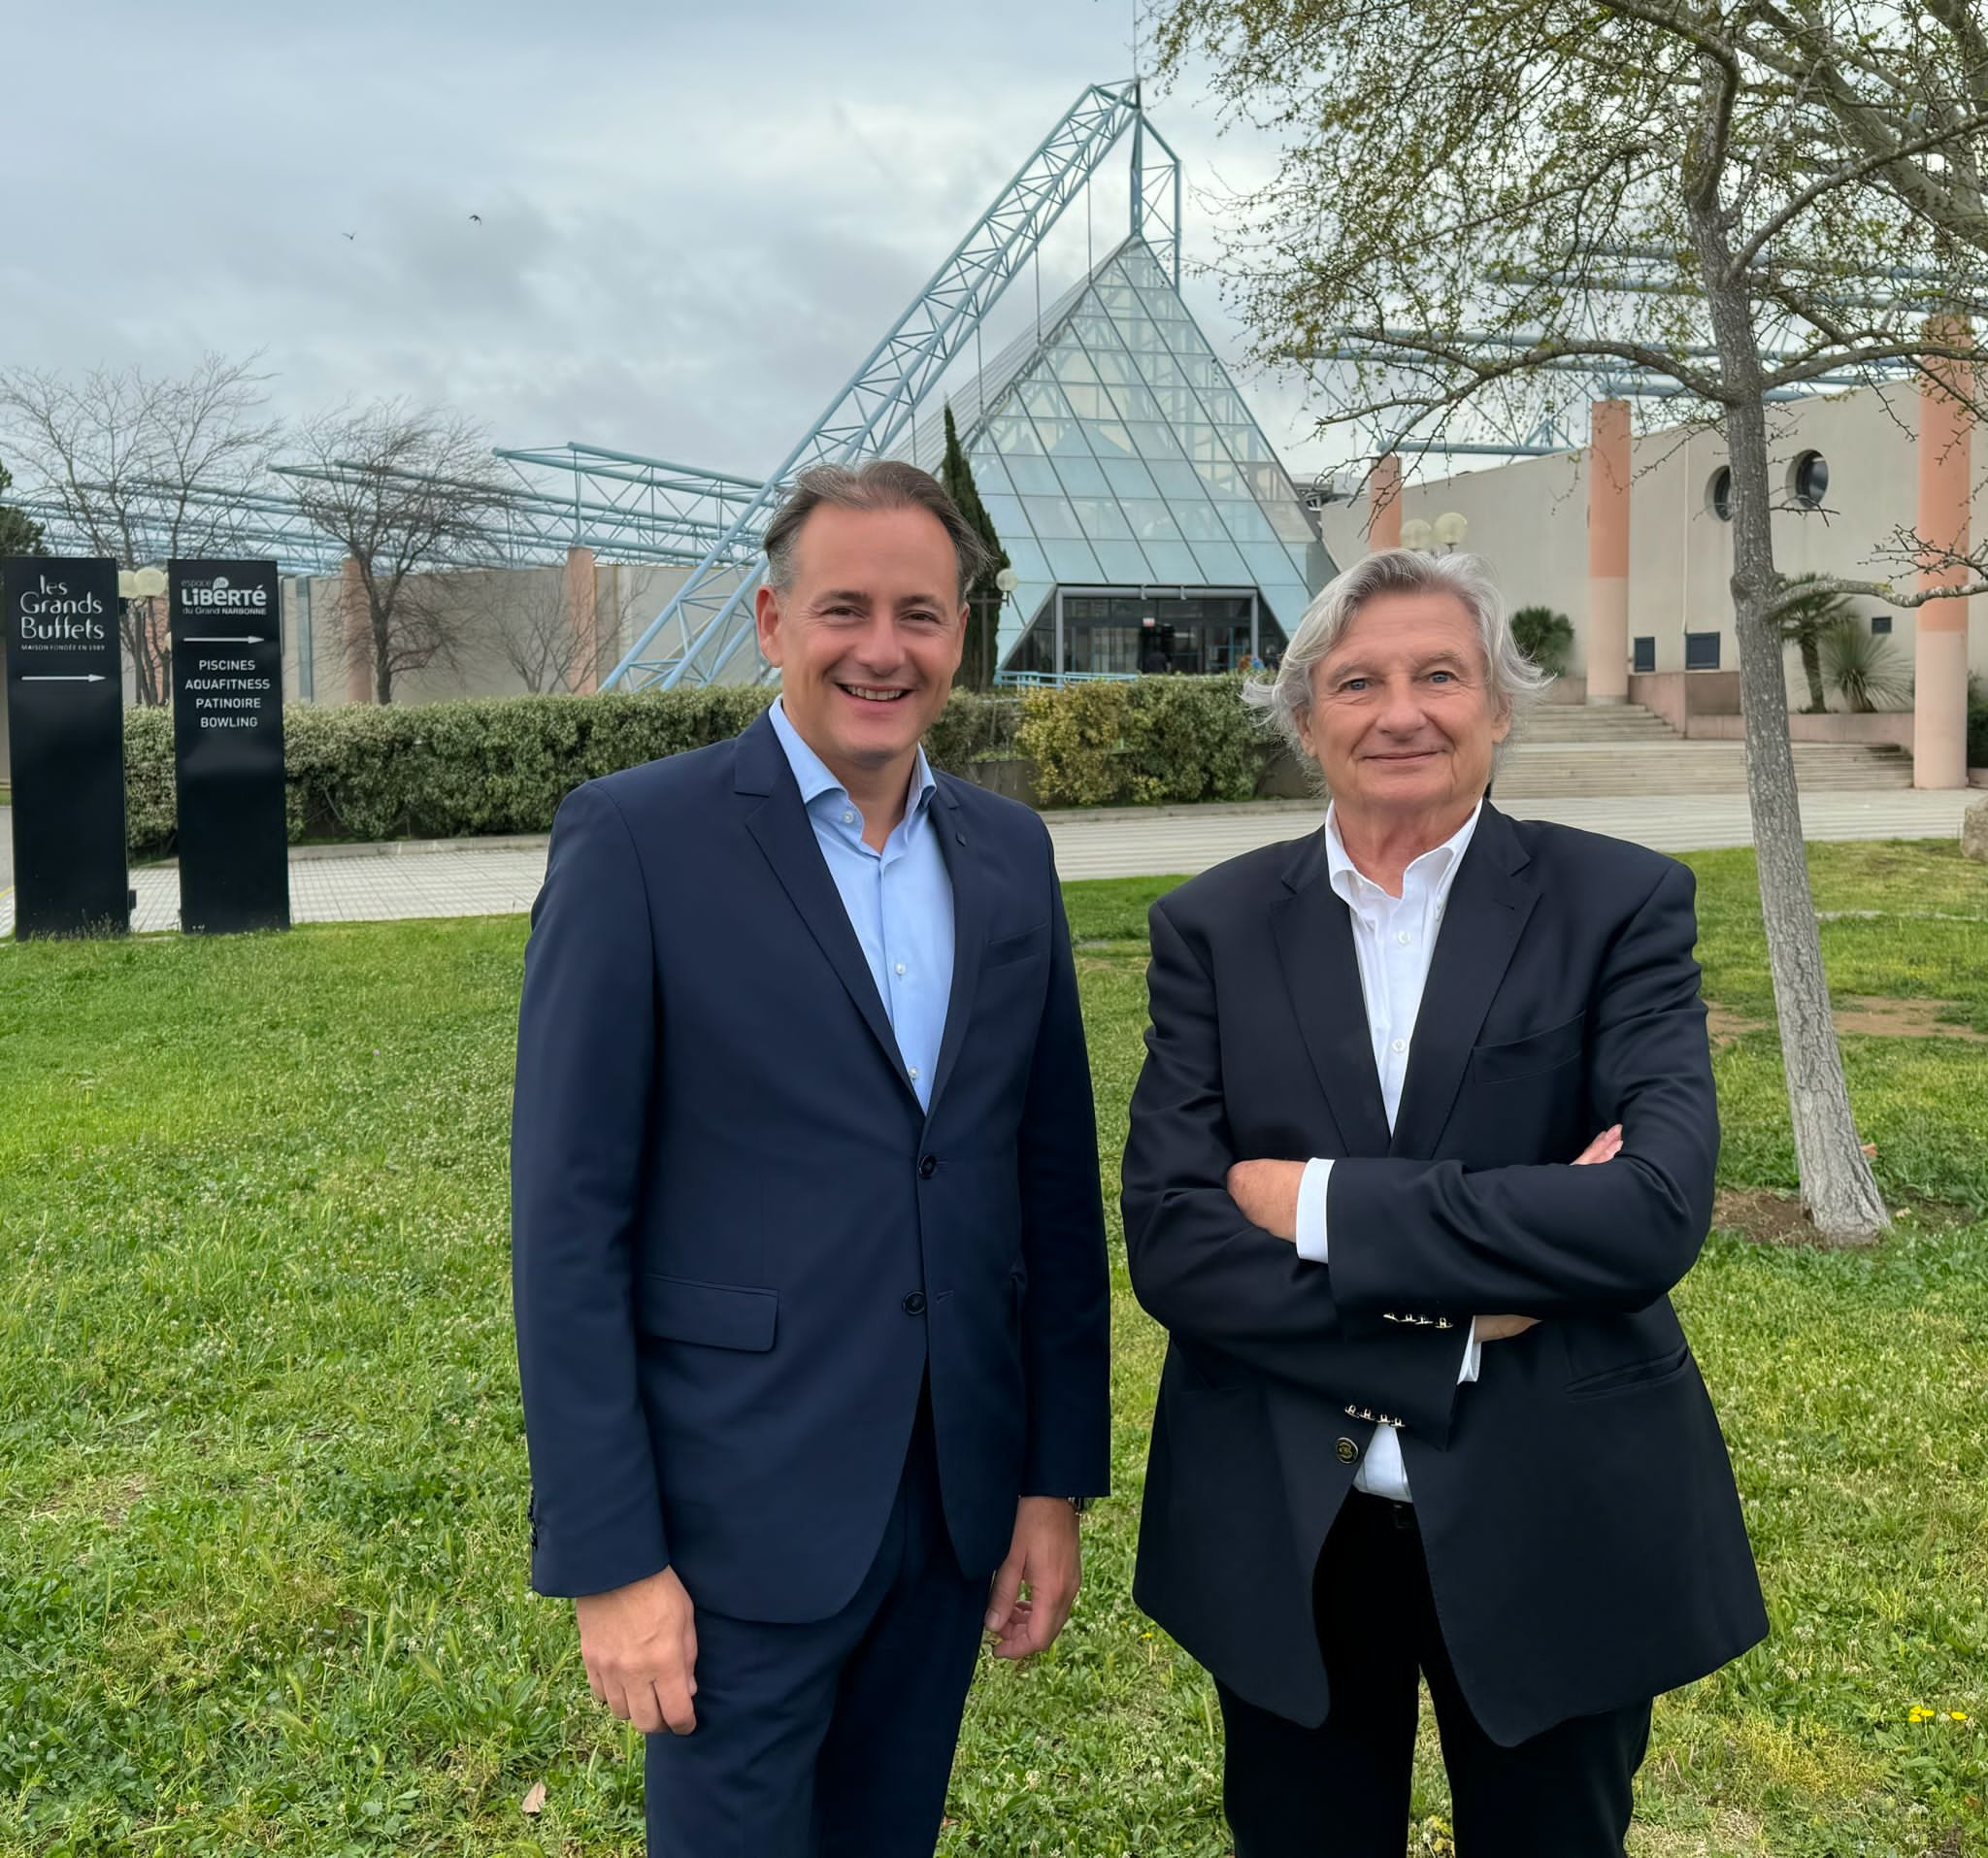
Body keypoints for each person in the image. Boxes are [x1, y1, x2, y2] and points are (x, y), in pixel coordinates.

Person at [1120, 547, 1766, 1857]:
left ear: (1500, 704)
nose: (1399, 709)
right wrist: (1462, 1321)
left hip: (1553, 1512)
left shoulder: (1620, 903)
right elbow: (1176, 1244)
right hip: (1288, 1520)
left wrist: (1315, 1202)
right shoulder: (1215, 928)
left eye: (1439, 674)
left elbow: (1648, 1213)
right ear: (1307, 718)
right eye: (1356, 680)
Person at [512, 460, 1111, 1858]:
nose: (882, 648)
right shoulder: (638, 840)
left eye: (921, 612)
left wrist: (1047, 1480)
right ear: (774, 619)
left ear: (963, 632)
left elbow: (1047, 1193)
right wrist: (611, 1558)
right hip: (736, 1517)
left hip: (950, 1501)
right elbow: (567, 1224)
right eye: (845, 608)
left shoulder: (1012, 856)